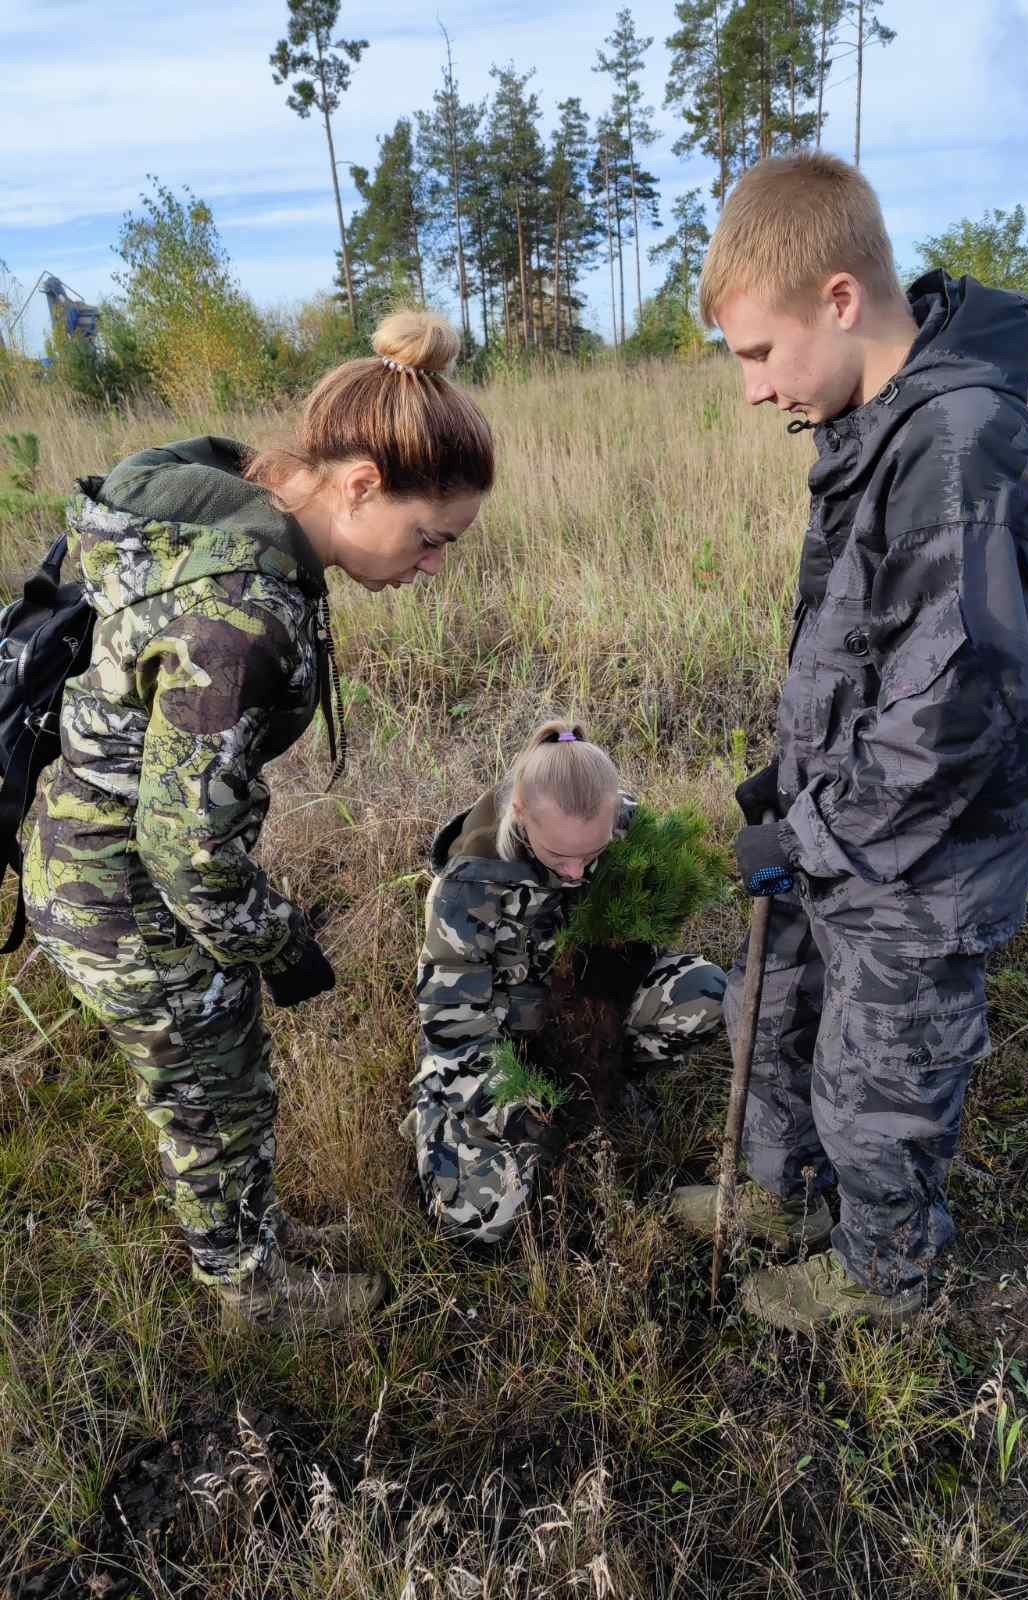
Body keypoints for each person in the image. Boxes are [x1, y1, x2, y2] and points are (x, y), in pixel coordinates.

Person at [24, 311, 494, 1332]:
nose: (430, 568)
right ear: (362, 483)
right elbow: (187, 847)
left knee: (210, 1078)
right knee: (214, 1088)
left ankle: (248, 1238)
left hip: (84, 853)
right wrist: (281, 944)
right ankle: (250, 1291)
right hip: (121, 890)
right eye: (428, 540)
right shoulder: (245, 613)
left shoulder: (236, 504)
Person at [670, 152, 1028, 1331]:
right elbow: (866, 647)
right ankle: (786, 1201)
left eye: (757, 352)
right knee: (778, 1012)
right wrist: (785, 791)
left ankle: (883, 1277)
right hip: (836, 824)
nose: (750, 389)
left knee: (879, 1079)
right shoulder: (876, 428)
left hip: (918, 859)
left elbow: (956, 708)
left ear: (840, 301)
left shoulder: (965, 447)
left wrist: (820, 827)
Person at [409, 719, 727, 1244]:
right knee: (484, 1222)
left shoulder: (615, 819)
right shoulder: (468, 891)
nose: (578, 873)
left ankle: (600, 1085)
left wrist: (624, 958)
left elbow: (647, 904)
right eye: (560, 857)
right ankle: (440, 1120)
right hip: (501, 1050)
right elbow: (454, 1033)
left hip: (586, 1015)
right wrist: (514, 1114)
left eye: (593, 855)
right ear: (520, 816)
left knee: (705, 993)